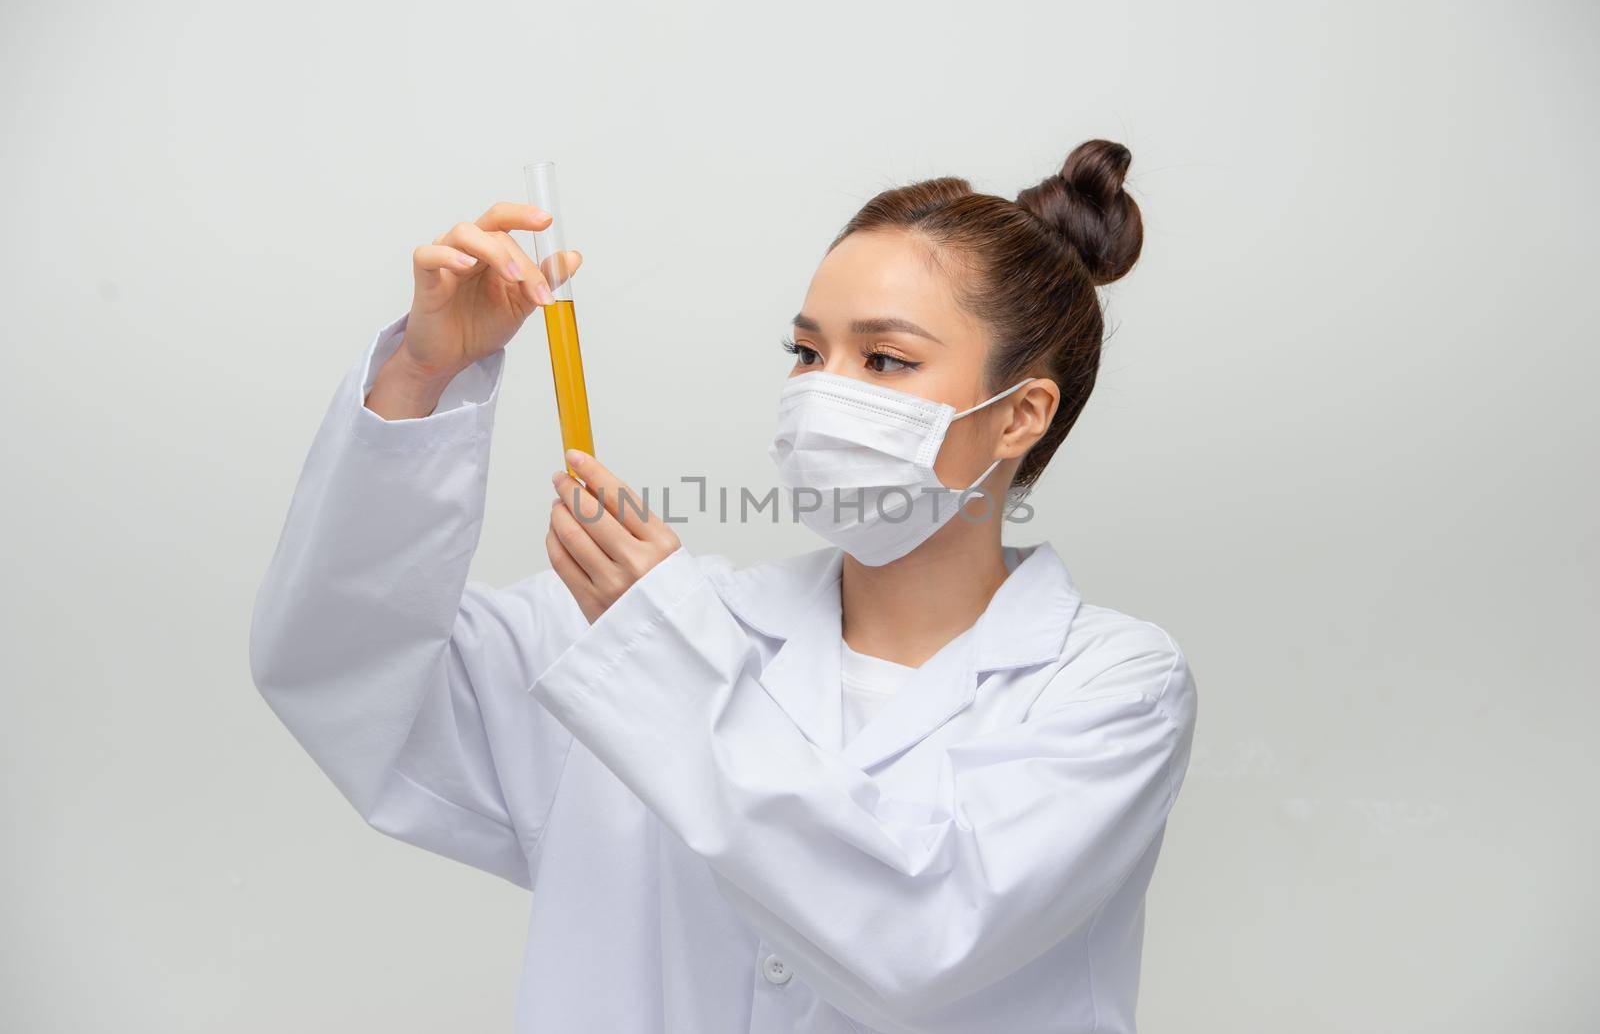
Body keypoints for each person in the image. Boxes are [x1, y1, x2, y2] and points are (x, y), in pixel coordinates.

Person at [250, 138, 1199, 1033]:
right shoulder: (619, 630)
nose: (823, 391)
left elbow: (921, 938)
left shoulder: (1112, 690)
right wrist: (422, 374)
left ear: (1020, 415)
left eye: (885, 360)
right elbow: (338, 667)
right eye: (806, 352)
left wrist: (660, 654)